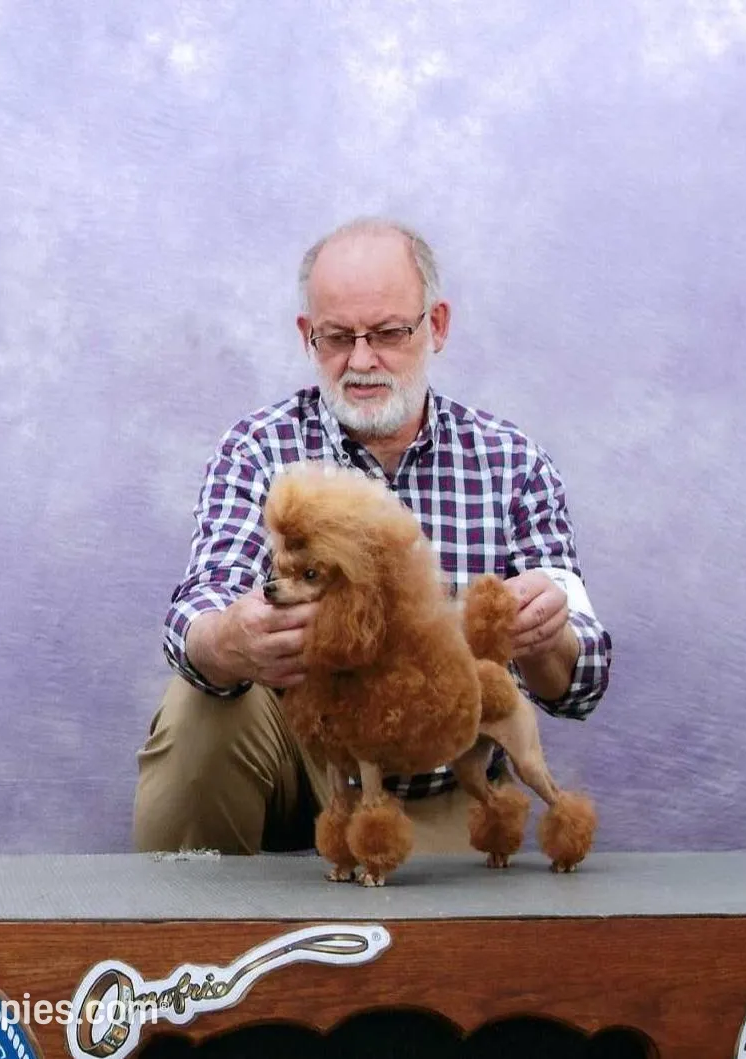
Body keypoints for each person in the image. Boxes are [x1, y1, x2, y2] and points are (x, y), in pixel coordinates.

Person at [132, 217, 612, 855]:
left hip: (437, 767)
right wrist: (227, 637)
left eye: (388, 333)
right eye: (336, 338)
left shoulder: (514, 464)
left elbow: (581, 686)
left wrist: (545, 636)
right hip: (309, 753)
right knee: (198, 709)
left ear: (435, 326)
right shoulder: (258, 448)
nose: (361, 361)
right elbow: (201, 604)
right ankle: (182, 938)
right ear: (309, 336)